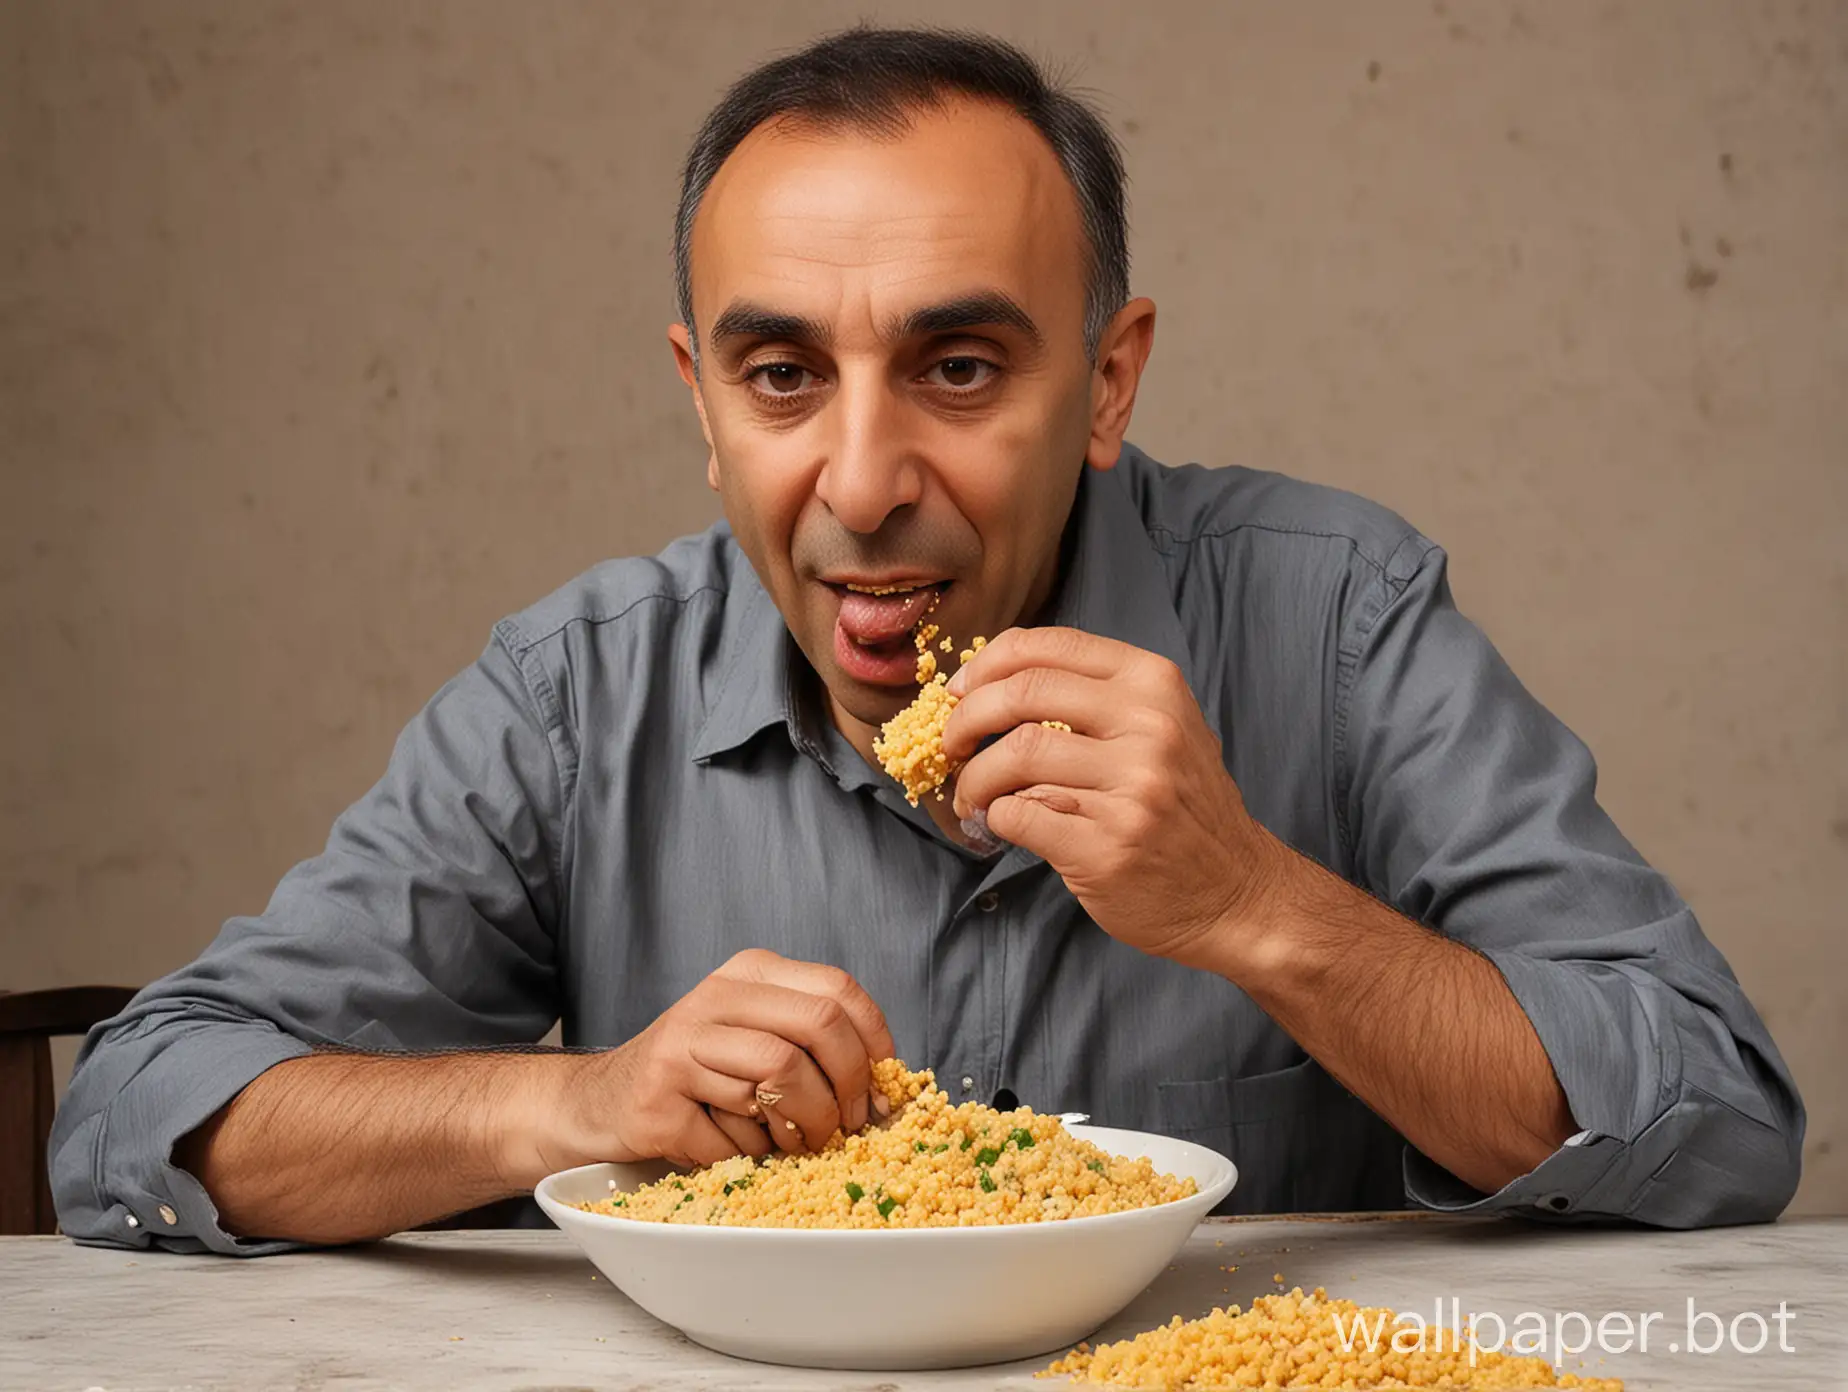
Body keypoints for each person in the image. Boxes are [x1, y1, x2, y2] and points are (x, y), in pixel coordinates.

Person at [52, 27, 1801, 1253]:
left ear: (1108, 382)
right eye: (784, 376)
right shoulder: (579, 694)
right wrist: (571, 1107)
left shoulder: (1335, 620)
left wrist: (1256, 906)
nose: (867, 485)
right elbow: (139, 1114)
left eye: (960, 369)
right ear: (703, 404)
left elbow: (1721, 1124)